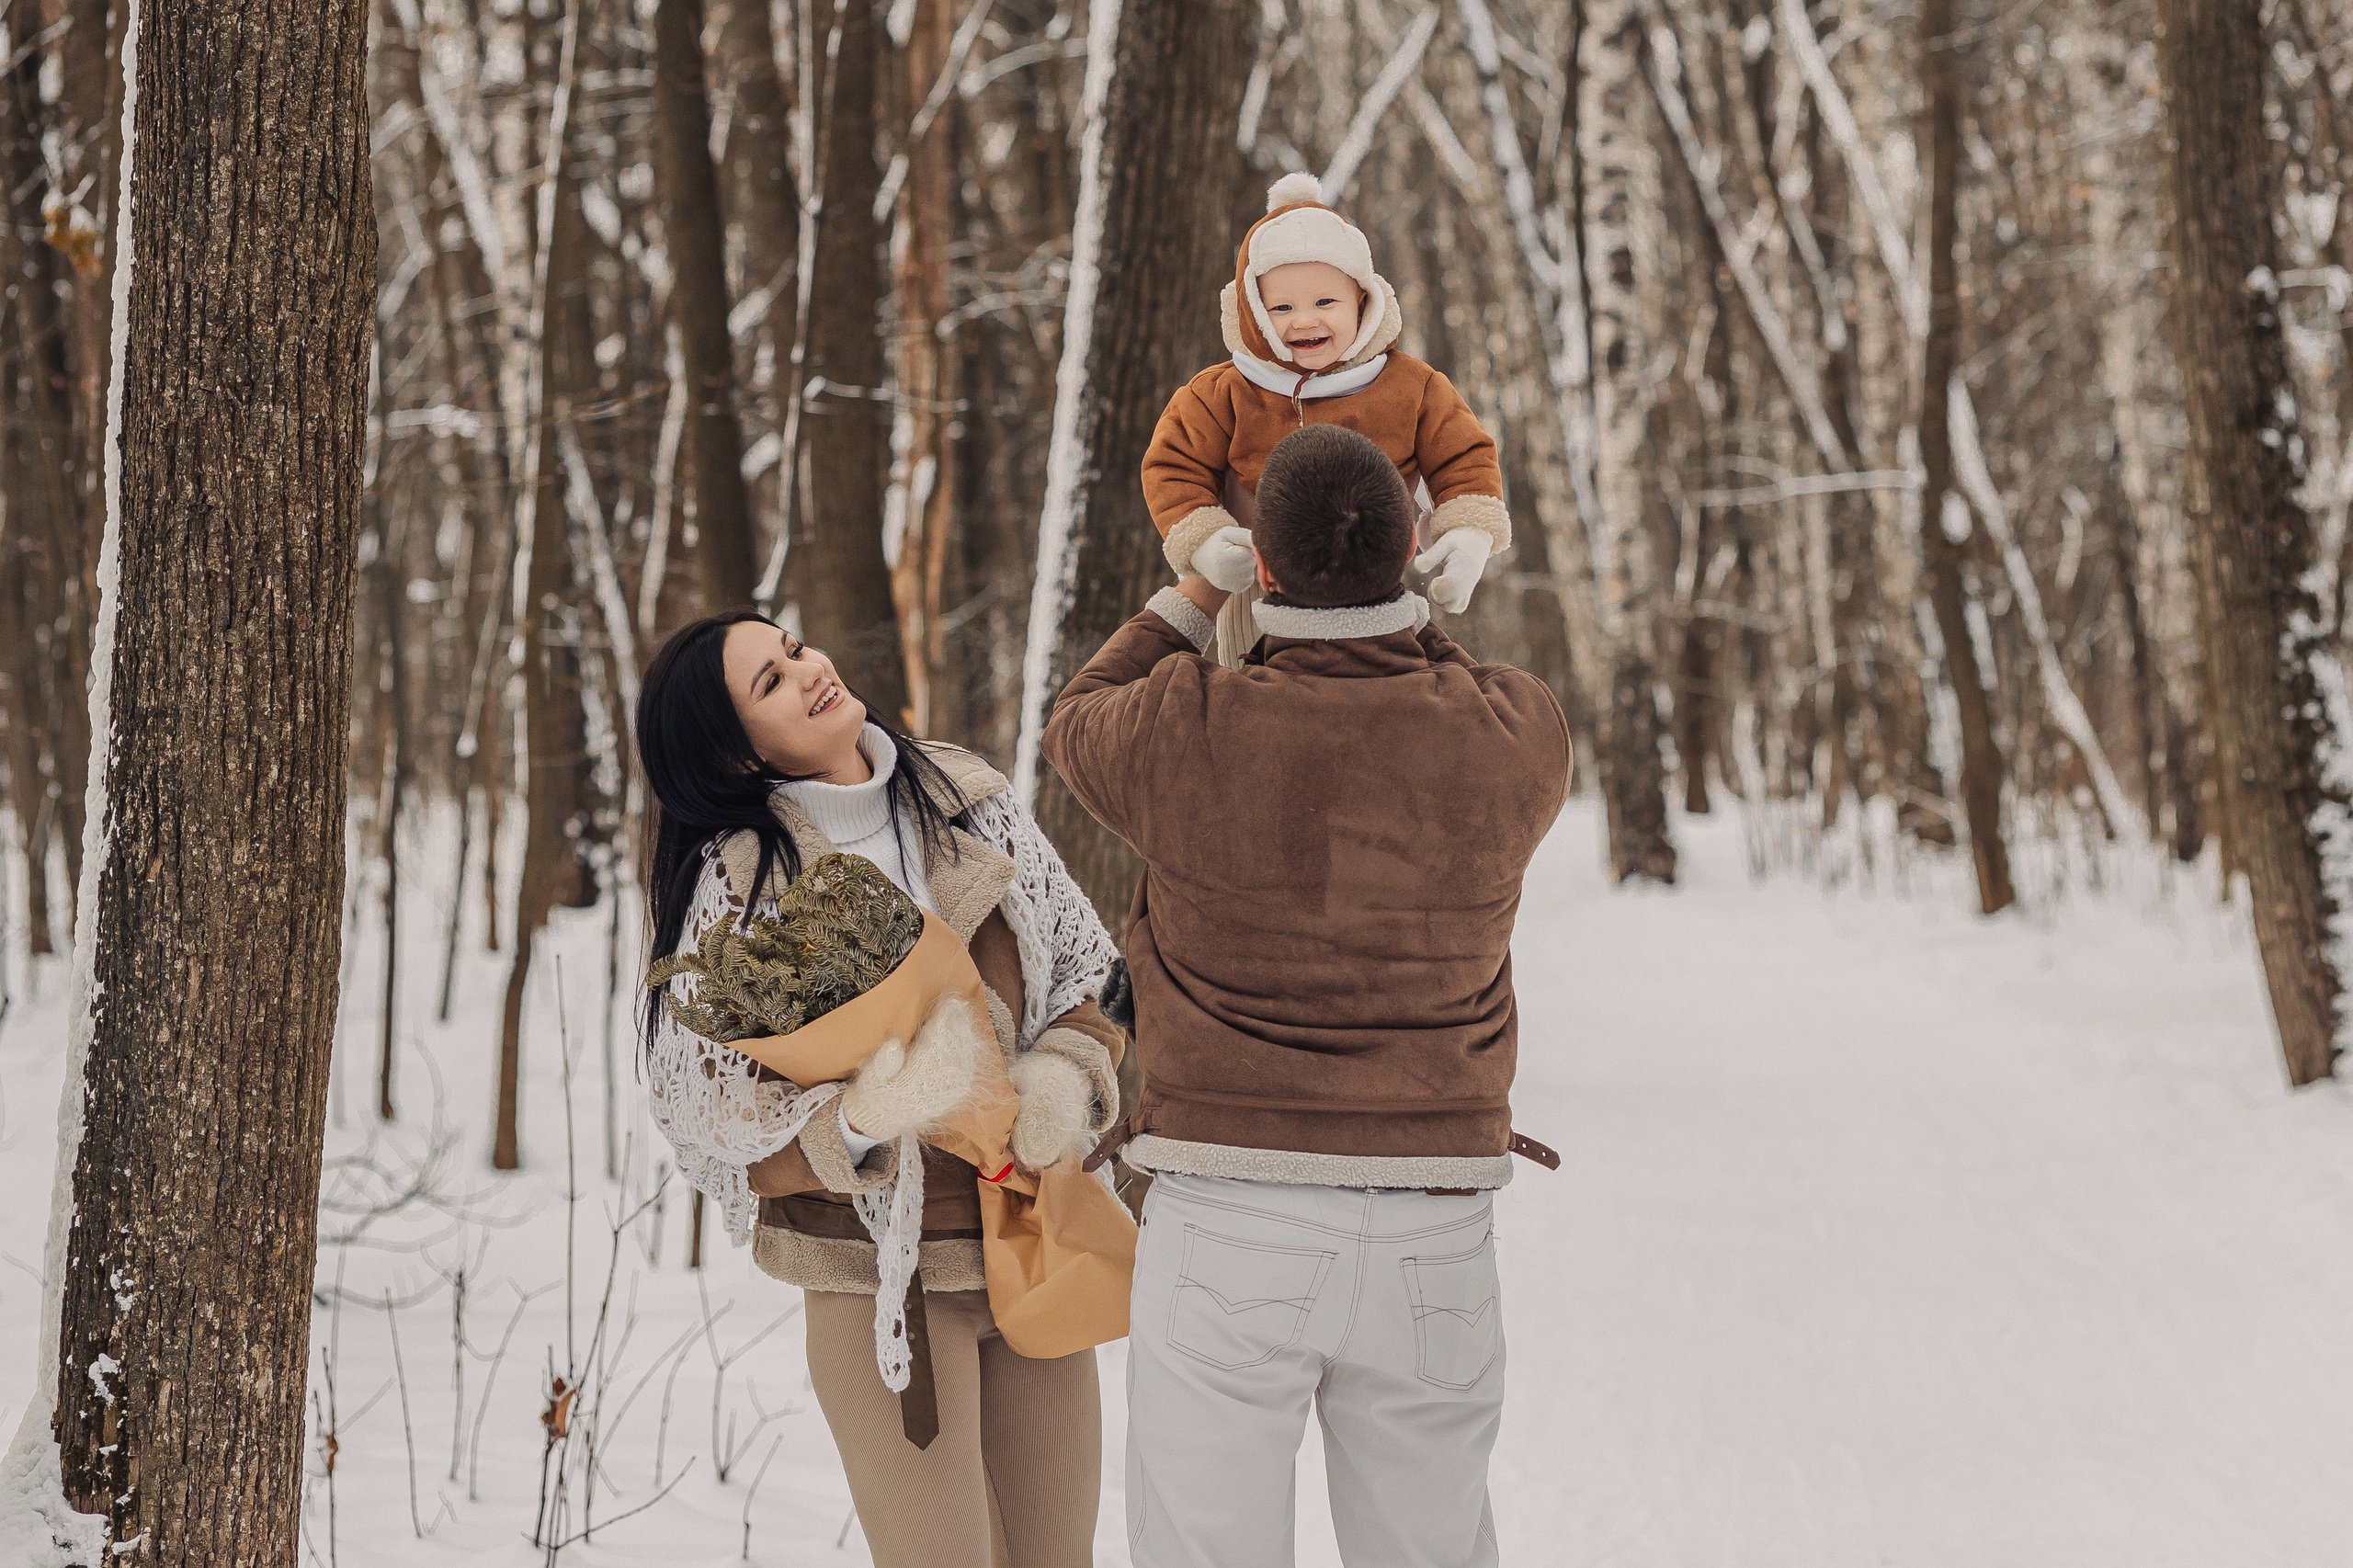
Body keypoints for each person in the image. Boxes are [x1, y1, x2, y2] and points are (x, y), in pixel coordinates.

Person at [1043, 425, 1573, 1567]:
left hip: (1230, 1211)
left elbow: (1077, 712)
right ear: (1417, 546)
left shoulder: (1183, 724)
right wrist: (1399, 593)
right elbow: (1444, 670)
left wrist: (1195, 586)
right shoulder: (1514, 731)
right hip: (1436, 1221)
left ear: (1261, 568)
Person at [635, 608, 1123, 1568]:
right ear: (738, 758)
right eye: (769, 684)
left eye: (793, 648)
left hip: (1032, 1241)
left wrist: (1065, 1075)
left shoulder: (968, 796)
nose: (808, 668)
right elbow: (706, 1112)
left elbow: (1092, 972)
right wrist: (863, 1117)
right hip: (881, 1290)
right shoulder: (738, 888)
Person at [1139, 169, 1513, 665]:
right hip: (1257, 578)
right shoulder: (1224, 393)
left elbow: (1463, 456)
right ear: (1251, 312)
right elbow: (1173, 464)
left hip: (1370, 581)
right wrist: (1205, 543)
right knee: (1257, 698)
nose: (1304, 320)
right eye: (1281, 307)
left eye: (1325, 301)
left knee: (1375, 695)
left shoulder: (1409, 386)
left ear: (1363, 300)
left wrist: (1467, 536)